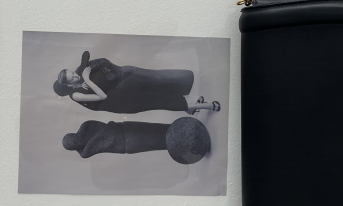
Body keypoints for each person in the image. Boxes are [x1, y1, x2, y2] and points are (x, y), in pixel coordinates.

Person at [53, 51, 221, 114]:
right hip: (123, 102)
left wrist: (84, 69)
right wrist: (89, 79)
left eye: (71, 73)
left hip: (124, 86)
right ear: (68, 85)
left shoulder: (79, 73)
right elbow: (102, 96)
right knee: (159, 101)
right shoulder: (76, 95)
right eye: (71, 78)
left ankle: (191, 108)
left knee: (159, 89)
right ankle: (205, 106)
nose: (75, 76)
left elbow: (88, 56)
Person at [62, 117, 211, 164]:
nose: (77, 142)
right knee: (162, 143)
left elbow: (104, 135)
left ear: (74, 135)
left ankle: (192, 131)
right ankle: (193, 145)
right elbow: (99, 140)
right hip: (128, 144)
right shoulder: (84, 152)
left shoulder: (86, 126)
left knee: (162, 130)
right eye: (74, 144)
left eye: (74, 139)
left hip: (127, 129)